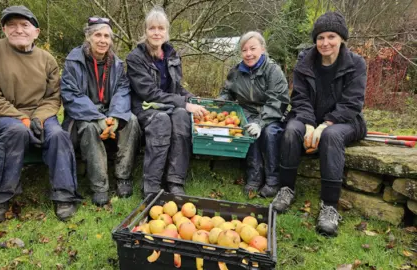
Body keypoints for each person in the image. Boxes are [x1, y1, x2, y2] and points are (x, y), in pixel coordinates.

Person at [0, 5, 82, 222]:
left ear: (36, 32)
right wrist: (21, 119)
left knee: (59, 136)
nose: (19, 30)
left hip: (40, 114)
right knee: (16, 132)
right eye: (12, 25)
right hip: (1, 114)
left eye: (25, 25)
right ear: (4, 29)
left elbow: (53, 97)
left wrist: (38, 118)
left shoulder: (47, 59)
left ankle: (64, 194)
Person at [272, 12, 367, 236]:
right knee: (291, 130)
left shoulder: (356, 64)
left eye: (331, 36)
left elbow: (352, 102)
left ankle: (329, 206)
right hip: (308, 115)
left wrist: (325, 124)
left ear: (342, 39)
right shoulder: (305, 62)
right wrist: (307, 123)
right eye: (320, 37)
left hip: (345, 120)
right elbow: (300, 98)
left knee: (331, 136)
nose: (325, 43)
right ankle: (286, 189)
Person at [126, 7, 207, 198]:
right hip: (145, 107)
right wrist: (184, 103)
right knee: (161, 120)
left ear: (166, 32)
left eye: (161, 28)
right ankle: (151, 186)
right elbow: (150, 93)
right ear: (145, 31)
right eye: (152, 28)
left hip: (168, 105)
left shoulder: (172, 55)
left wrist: (191, 99)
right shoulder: (135, 58)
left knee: (181, 117)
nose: (156, 32)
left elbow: (176, 88)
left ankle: (175, 181)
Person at [60, 17, 140, 206]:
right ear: (88, 37)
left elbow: (123, 90)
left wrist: (116, 117)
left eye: (107, 36)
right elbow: (71, 96)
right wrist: (98, 119)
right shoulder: (74, 61)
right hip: (84, 114)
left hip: (110, 112)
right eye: (97, 35)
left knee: (133, 120)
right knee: (89, 128)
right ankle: (100, 186)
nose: (102, 40)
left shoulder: (117, 64)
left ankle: (123, 177)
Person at [218, 31, 289, 199]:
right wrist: (221, 101)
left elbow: (278, 100)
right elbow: (227, 92)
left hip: (273, 113)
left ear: (262, 49)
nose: (248, 53)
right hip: (247, 112)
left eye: (253, 48)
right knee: (247, 129)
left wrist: (261, 122)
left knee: (269, 133)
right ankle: (254, 178)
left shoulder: (273, 71)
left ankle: (272, 180)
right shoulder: (236, 71)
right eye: (244, 50)